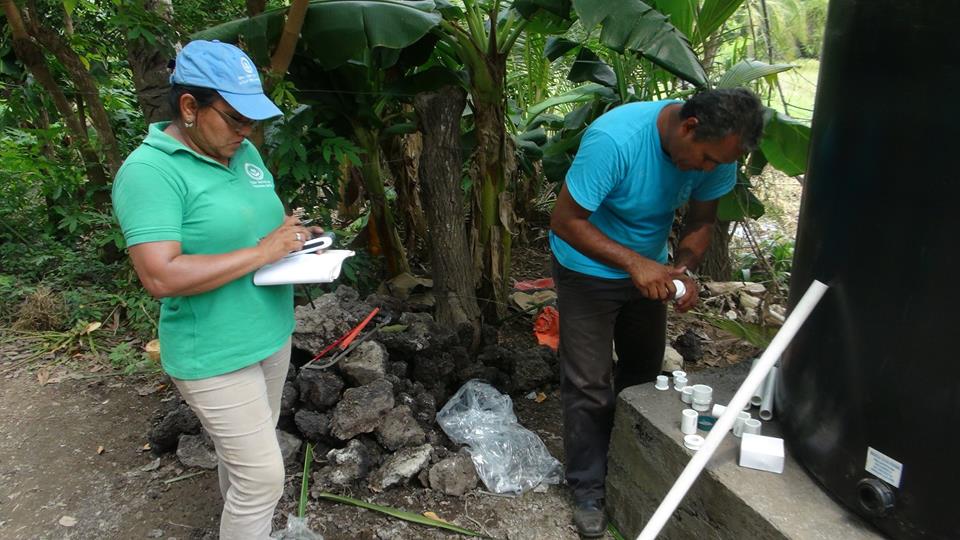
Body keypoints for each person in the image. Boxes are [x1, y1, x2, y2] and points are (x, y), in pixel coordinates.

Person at [112, 40, 319, 539]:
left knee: (246, 462)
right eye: (234, 118)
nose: (246, 131)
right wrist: (261, 253)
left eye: (252, 120)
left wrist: (288, 235)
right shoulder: (149, 172)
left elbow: (253, 223)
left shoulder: (242, 151)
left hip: (269, 332)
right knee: (263, 478)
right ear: (189, 106)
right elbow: (160, 275)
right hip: (214, 350)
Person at [548, 88, 764, 537]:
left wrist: (682, 268)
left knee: (644, 376)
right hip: (586, 267)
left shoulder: (718, 152)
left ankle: (629, 467)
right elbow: (566, 221)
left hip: (652, 269)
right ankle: (589, 488)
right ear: (689, 127)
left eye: (717, 164)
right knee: (589, 382)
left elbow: (702, 221)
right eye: (705, 159)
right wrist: (634, 264)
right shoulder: (616, 140)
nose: (708, 170)